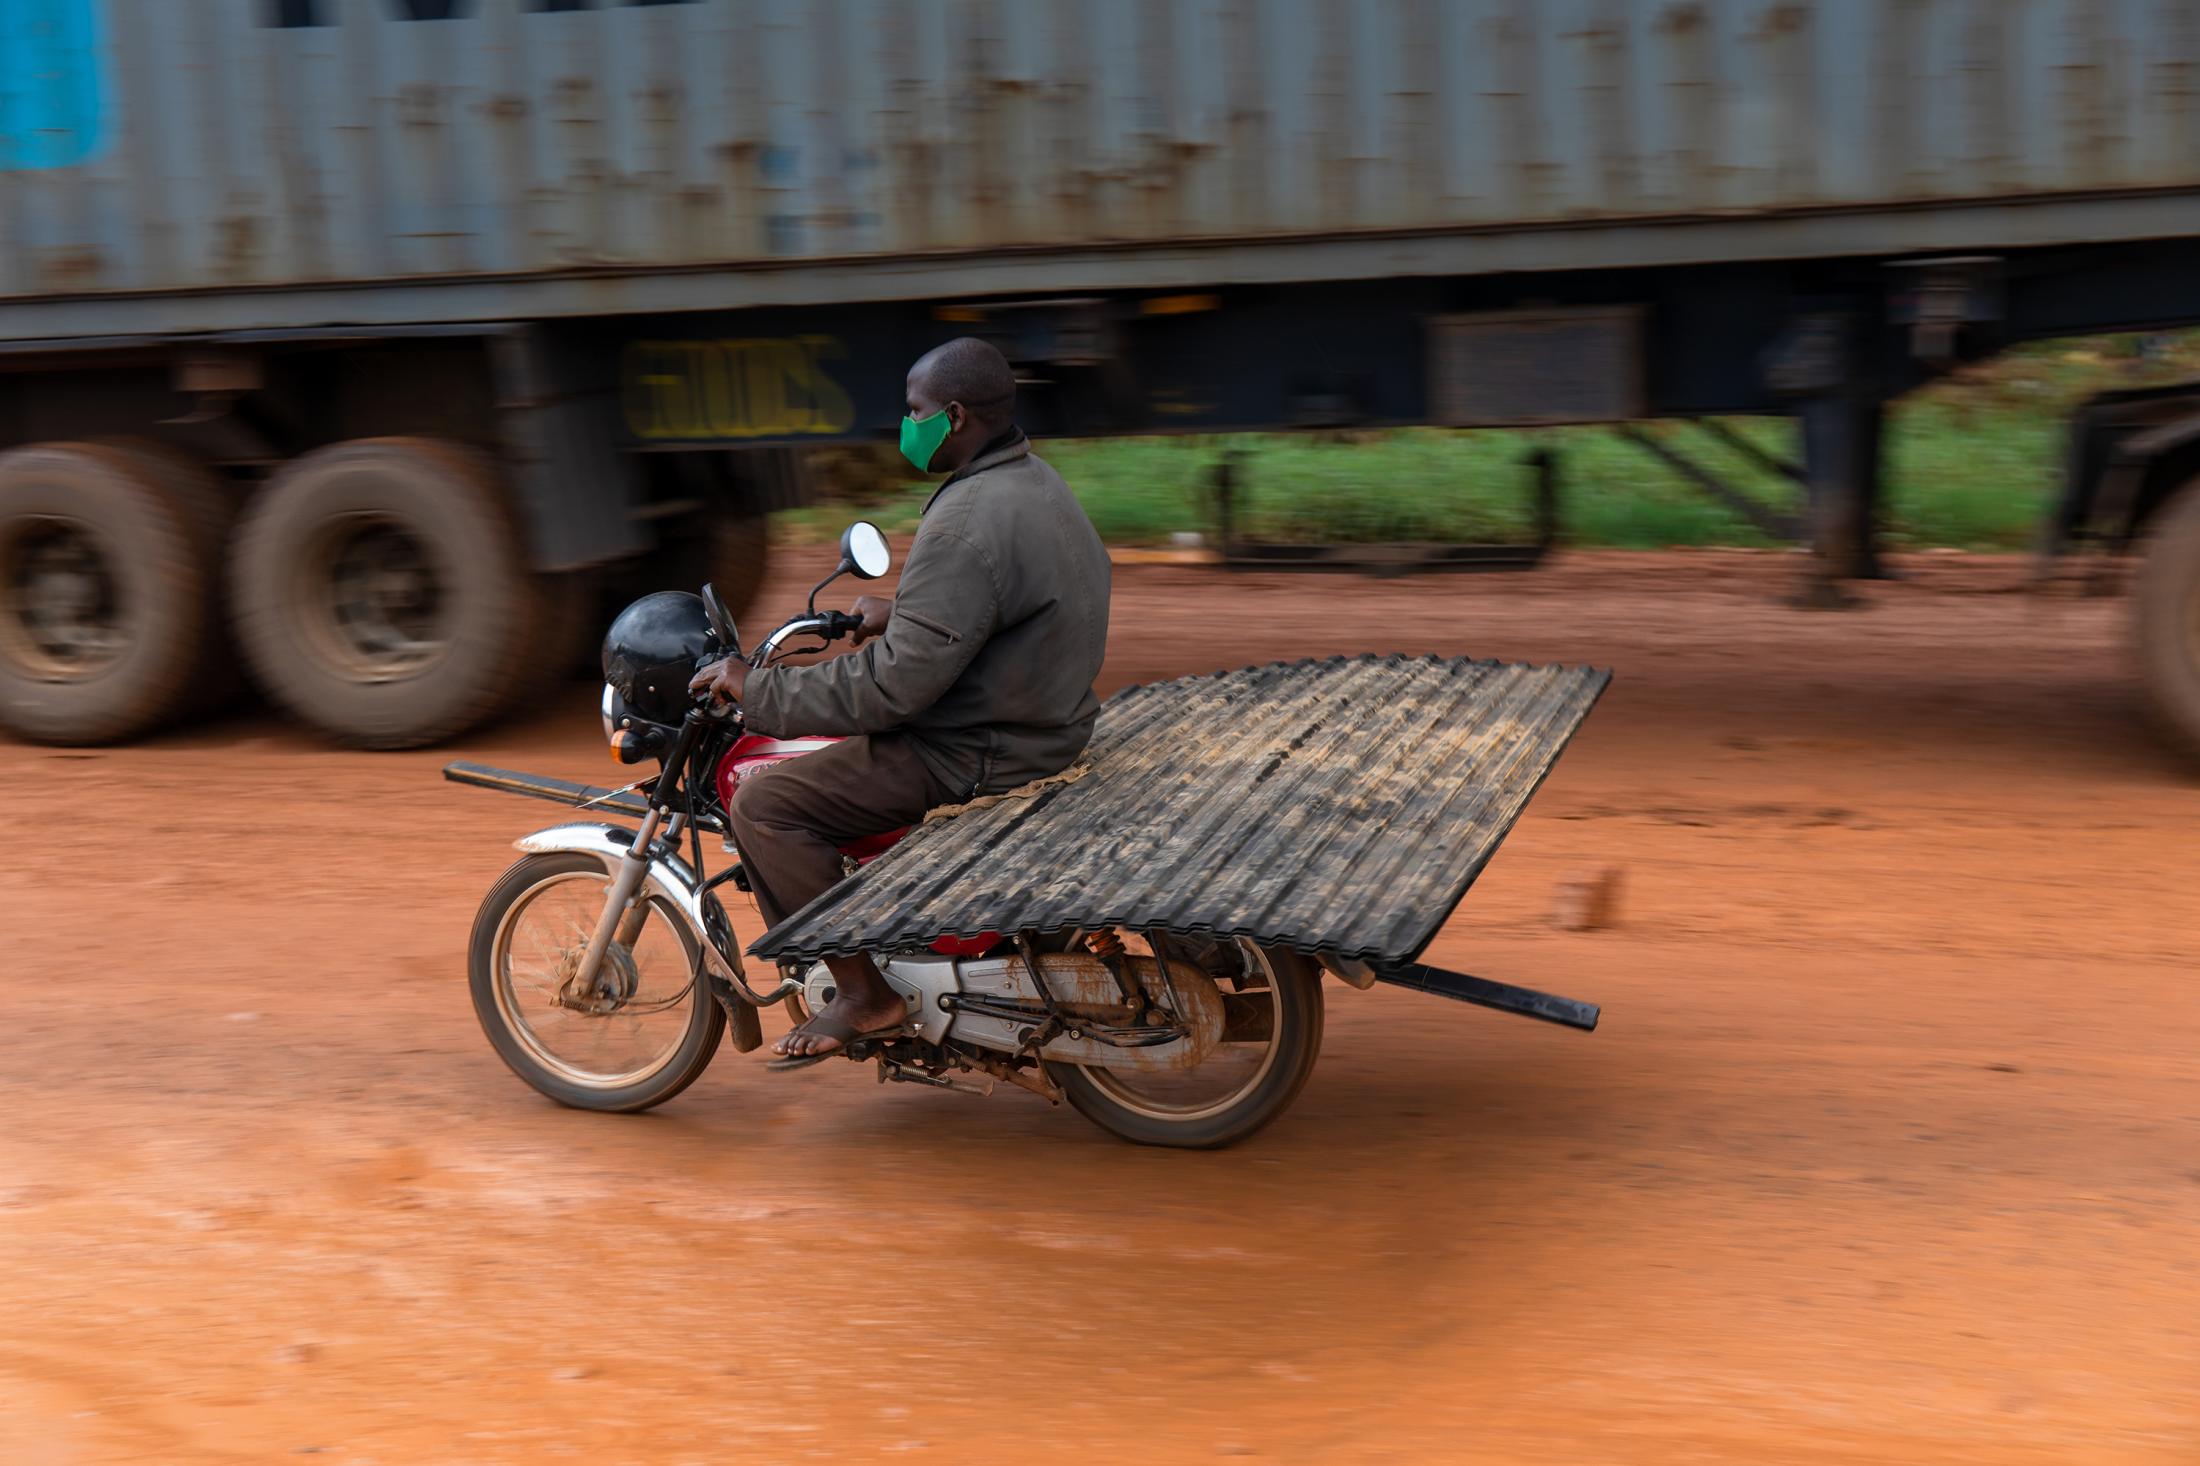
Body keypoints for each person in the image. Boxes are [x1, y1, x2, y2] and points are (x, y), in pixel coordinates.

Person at [688, 337, 1112, 1068]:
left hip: (977, 749)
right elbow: (1002, 600)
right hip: (1044, 718)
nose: (904, 425)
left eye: (914, 412)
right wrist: (905, 611)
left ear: (952, 417)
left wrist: (758, 688)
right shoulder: (1032, 480)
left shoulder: (967, 519)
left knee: (766, 806)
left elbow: (889, 689)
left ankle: (864, 993)